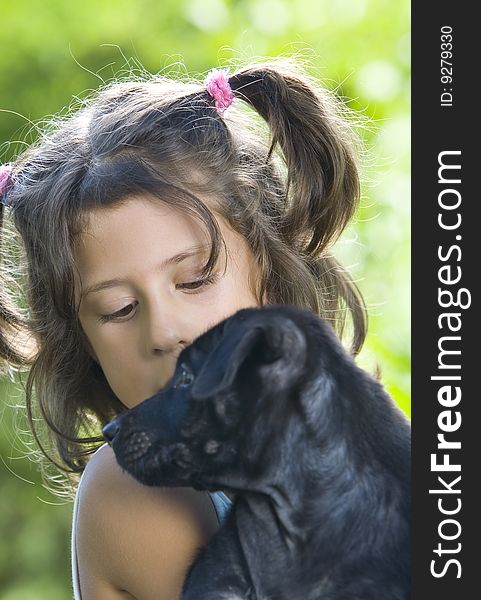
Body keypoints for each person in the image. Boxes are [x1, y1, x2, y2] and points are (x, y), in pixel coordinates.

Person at [0, 59, 367, 599]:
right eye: (121, 308)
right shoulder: (134, 489)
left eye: (194, 280)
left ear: (269, 267)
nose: (165, 330)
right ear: (82, 340)